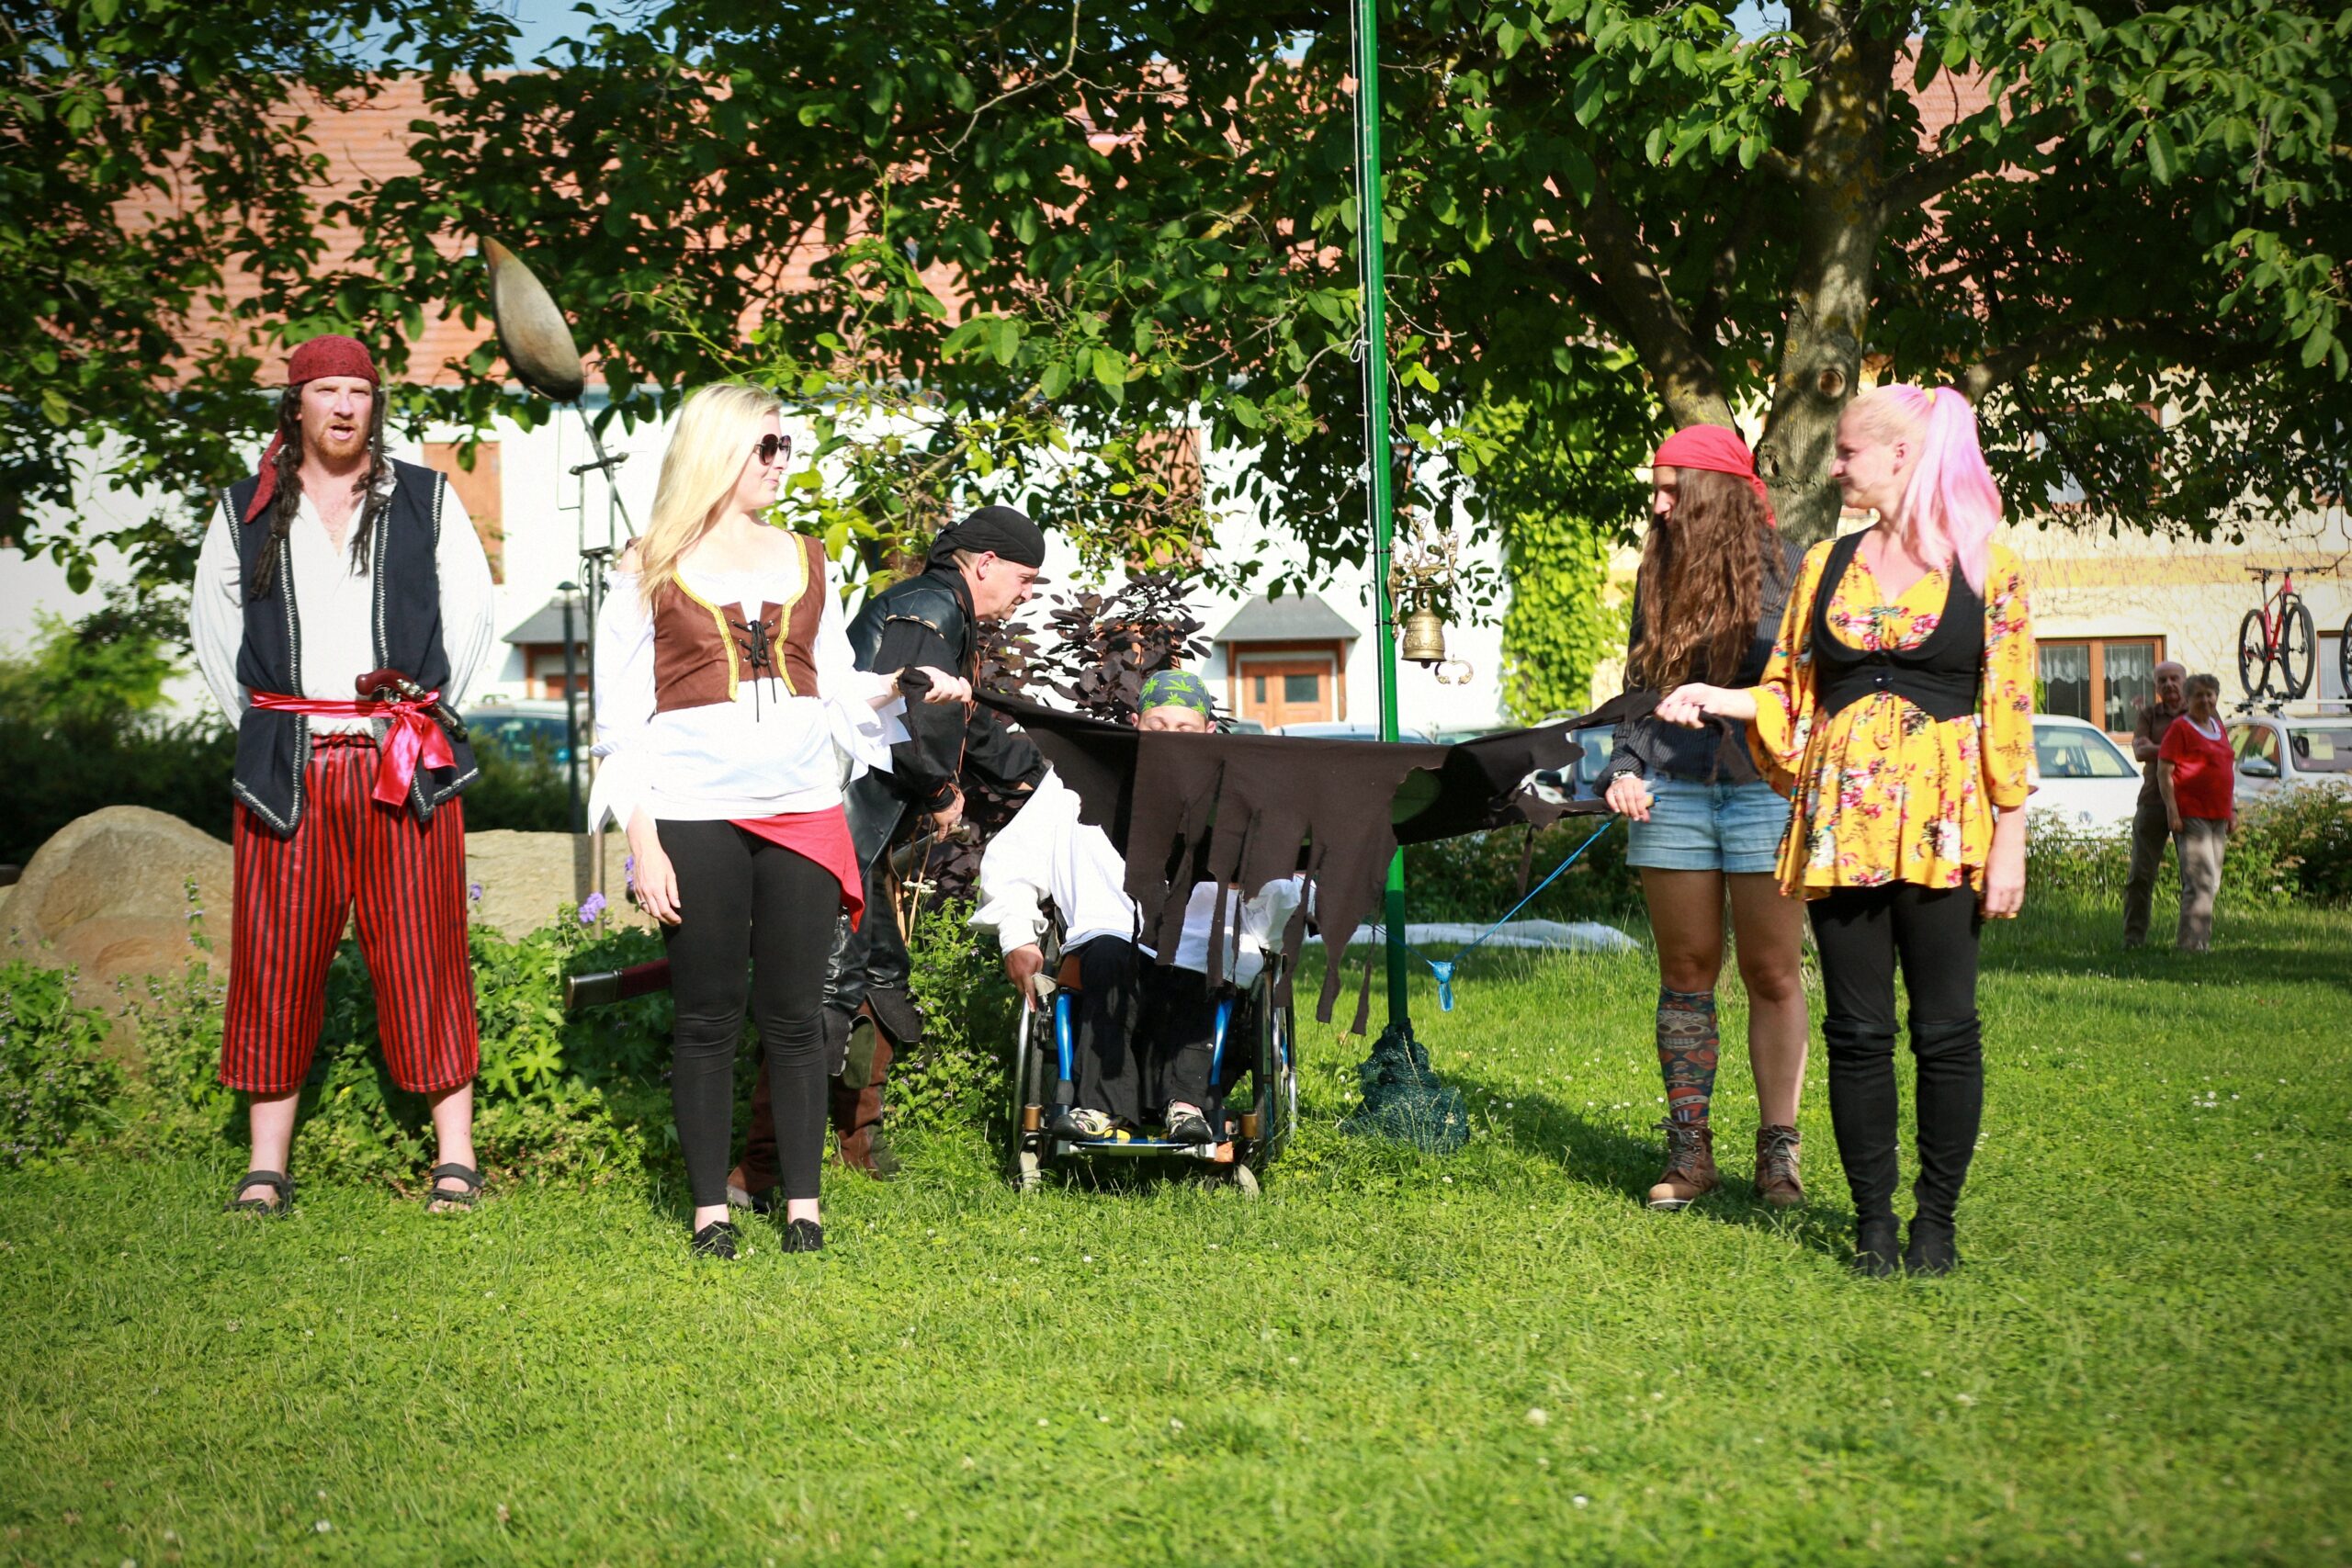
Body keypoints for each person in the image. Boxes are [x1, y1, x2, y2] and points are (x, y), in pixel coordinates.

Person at [1657, 383, 2036, 1277]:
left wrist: (2010, 835)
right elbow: (1789, 694)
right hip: (1841, 831)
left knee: (1944, 1028)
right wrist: (1716, 696)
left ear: (1901, 456)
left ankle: (1933, 1224)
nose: (1833, 468)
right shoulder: (1825, 565)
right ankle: (1872, 1223)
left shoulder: (1990, 567)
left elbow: (2009, 707)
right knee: (1857, 1032)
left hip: (1943, 829)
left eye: (1847, 452)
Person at [588, 382, 971, 1258]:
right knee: (708, 1016)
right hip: (692, 812)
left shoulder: (806, 555)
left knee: (797, 1014)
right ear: (718, 450)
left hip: (801, 806)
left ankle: (804, 1208)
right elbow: (618, 724)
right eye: (767, 446)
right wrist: (644, 843)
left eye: (785, 445)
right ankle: (709, 1214)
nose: (781, 461)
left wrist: (906, 682)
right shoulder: (649, 564)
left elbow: (830, 684)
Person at [191, 334, 497, 1217]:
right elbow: (215, 636)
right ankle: (266, 1165)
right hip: (288, 766)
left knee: (425, 950)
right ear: (296, 404)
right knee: (275, 957)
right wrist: (281, 723)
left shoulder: (426, 499)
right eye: (325, 390)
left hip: (401, 758)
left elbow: (471, 615)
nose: (342, 407)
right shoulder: (243, 509)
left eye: (357, 392)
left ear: (374, 405)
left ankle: (456, 1156)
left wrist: (421, 713)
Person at [726, 505, 1048, 1205]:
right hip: (834, 827)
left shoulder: (942, 607)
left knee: (877, 978)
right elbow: (905, 715)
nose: (1026, 594)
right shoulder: (930, 609)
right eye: (1025, 579)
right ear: (985, 563)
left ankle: (857, 1144)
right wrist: (939, 790)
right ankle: (758, 1170)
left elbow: (960, 721)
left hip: (860, 833)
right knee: (824, 990)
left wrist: (1041, 772)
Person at [1599, 424, 1810, 1212]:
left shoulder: (1792, 573)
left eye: (1669, 489)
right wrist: (1624, 767)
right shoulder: (1658, 573)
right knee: (1685, 974)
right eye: (1655, 490)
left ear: (1713, 493)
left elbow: (1801, 692)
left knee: (1772, 972)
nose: (1657, 505)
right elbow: (1639, 684)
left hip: (1764, 789)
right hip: (1673, 793)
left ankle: (1779, 1154)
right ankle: (1690, 1150)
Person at [971, 670, 1301, 1140]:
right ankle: (1100, 1108)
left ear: (1209, 731)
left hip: (1196, 941)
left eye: (1185, 729)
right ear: (1135, 723)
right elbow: (1015, 859)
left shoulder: (1236, 794)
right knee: (1109, 955)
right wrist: (1017, 936)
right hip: (1107, 932)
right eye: (1157, 725)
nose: (1170, 738)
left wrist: (1262, 889)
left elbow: (1278, 888)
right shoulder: (1077, 781)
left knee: (1197, 962)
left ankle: (1186, 1106)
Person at [2157, 673, 2235, 952]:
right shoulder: (2180, 728)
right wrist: (2172, 811)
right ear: (2188, 699)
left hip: (2218, 815)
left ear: (2216, 697)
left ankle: (2201, 941)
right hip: (2192, 814)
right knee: (2199, 881)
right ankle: (2191, 946)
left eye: (2209, 694)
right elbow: (2164, 772)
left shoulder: (2218, 726)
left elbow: (2226, 770)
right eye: (2199, 695)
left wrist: (2232, 809)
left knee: (2212, 881)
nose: (2205, 700)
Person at [2122, 660, 2188, 948]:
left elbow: (2209, 751)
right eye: (2162, 680)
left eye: (2174, 678)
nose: (2169, 684)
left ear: (2185, 682)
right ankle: (2133, 941)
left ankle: (2191, 943)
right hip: (2152, 801)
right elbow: (2140, 752)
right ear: (2156, 687)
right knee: (2139, 875)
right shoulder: (2148, 715)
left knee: (2193, 879)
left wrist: (2157, 750)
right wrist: (2179, 751)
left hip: (2190, 803)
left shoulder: (2201, 712)